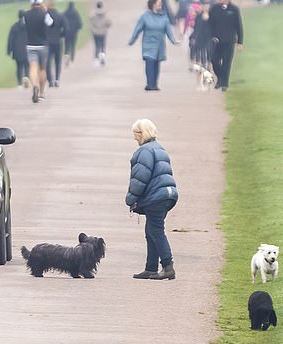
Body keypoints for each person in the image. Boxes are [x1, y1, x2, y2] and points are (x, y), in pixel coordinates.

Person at [126, 119, 179, 281]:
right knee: (151, 231)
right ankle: (150, 268)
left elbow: (140, 179)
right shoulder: (159, 148)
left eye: (136, 134)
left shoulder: (144, 151)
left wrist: (130, 199)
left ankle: (168, 266)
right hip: (167, 195)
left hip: (157, 197)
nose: (135, 138)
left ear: (143, 133)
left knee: (156, 231)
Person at [128, 0, 179, 91]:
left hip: (160, 45)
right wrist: (131, 41)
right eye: (158, 3)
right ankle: (150, 84)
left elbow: (169, 31)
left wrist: (174, 41)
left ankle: (154, 84)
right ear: (153, 4)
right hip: (148, 44)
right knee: (150, 62)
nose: (160, 4)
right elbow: (137, 29)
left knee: (156, 64)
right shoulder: (145, 16)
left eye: (160, 3)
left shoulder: (164, 17)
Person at [23, 0, 54, 103]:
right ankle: (41, 92)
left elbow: (24, 25)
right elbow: (51, 23)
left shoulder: (26, 14)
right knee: (42, 69)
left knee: (33, 67)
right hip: (43, 45)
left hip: (31, 45)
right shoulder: (44, 14)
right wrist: (45, 11)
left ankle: (35, 86)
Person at [208, 0, 243, 92]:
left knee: (226, 63)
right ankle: (220, 78)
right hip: (216, 41)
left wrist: (240, 42)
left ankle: (224, 84)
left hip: (229, 41)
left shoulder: (234, 9)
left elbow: (239, 26)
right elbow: (209, 24)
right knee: (214, 61)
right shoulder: (214, 8)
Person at [45, 0, 69, 87]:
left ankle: (50, 79)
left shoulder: (45, 16)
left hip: (47, 41)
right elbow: (66, 29)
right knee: (58, 61)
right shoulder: (60, 16)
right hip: (58, 41)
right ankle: (57, 79)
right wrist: (61, 35)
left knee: (47, 62)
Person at [7, 10, 30, 89]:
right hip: (27, 48)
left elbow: (10, 39)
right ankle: (26, 76)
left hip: (17, 50)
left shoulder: (14, 27)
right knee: (27, 65)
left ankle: (19, 83)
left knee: (19, 67)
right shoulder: (28, 27)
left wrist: (9, 50)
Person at [89, 1, 111, 67]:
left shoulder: (93, 15)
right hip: (103, 32)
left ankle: (96, 61)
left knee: (97, 46)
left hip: (95, 33)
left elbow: (91, 21)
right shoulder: (104, 15)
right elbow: (109, 23)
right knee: (102, 46)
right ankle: (102, 57)